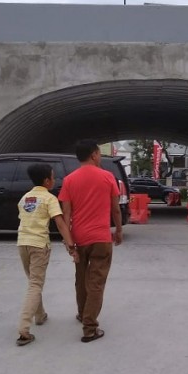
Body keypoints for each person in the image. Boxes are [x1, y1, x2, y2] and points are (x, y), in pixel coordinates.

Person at [58, 140, 123, 343]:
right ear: (95, 154)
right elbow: (115, 208)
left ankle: (82, 313)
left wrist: (68, 240)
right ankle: (90, 327)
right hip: (101, 238)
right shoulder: (107, 177)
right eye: (99, 154)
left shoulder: (69, 180)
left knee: (81, 278)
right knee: (96, 282)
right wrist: (119, 230)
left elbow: (65, 212)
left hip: (79, 238)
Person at [16, 163, 77, 347]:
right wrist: (71, 244)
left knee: (34, 281)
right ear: (46, 181)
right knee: (35, 284)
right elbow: (59, 223)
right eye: (53, 177)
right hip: (38, 245)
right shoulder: (49, 199)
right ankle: (24, 328)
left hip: (22, 243)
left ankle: (40, 315)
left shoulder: (25, 197)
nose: (55, 179)